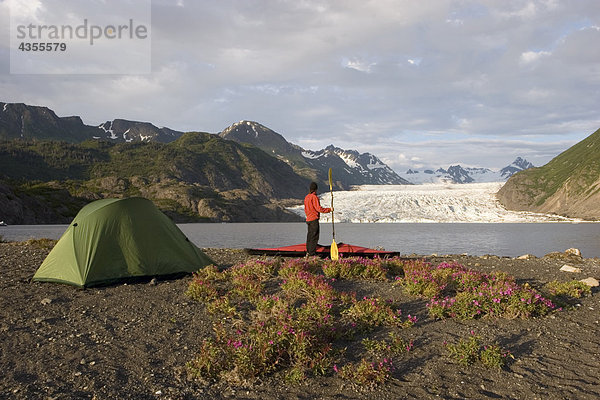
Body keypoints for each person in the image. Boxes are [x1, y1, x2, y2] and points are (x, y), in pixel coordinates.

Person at [304, 182, 332, 256]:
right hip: (314, 219)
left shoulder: (306, 197)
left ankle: (308, 252)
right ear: (316, 189)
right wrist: (329, 209)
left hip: (308, 219)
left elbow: (306, 209)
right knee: (314, 236)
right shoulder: (314, 197)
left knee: (309, 236)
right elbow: (319, 208)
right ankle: (312, 254)